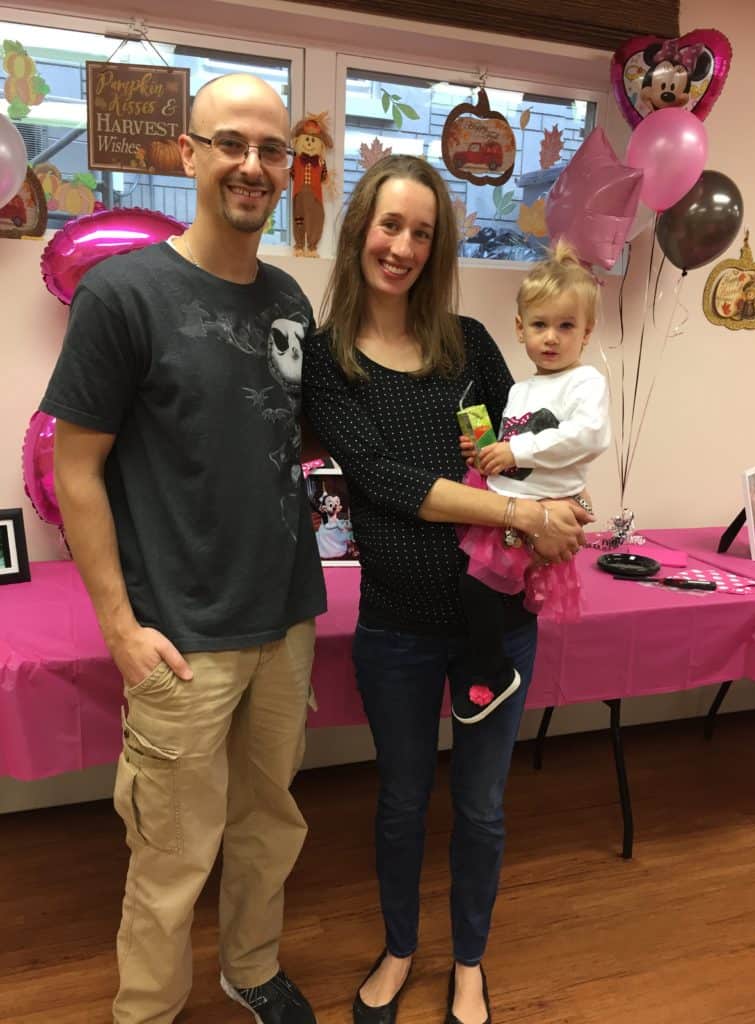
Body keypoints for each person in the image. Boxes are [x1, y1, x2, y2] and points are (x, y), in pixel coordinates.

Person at [40, 74, 326, 1024]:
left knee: (267, 826)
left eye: (272, 150)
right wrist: (120, 629)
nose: (253, 165)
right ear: (188, 153)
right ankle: (147, 1012)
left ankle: (250, 968)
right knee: (169, 852)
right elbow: (75, 470)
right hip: (179, 636)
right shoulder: (123, 296)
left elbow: (290, 441)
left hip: (284, 619)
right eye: (232, 143)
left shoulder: (289, 300)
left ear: (287, 169)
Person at [302, 154, 591, 1024]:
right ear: (360, 230)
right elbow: (383, 476)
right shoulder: (328, 360)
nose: (403, 247)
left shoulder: (469, 343)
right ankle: (399, 948)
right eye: (390, 225)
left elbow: (527, 440)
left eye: (423, 232)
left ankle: (469, 961)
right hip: (396, 625)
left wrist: (564, 494)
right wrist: (516, 510)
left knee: (482, 806)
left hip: (494, 624)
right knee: (399, 801)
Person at [453, 240, 610, 724]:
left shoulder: (585, 383)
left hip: (544, 510)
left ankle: (494, 671)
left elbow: (589, 435)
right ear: (520, 329)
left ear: (586, 332)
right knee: (479, 592)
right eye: (540, 325)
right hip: (508, 502)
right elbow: (514, 450)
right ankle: (488, 664)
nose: (552, 338)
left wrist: (514, 450)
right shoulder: (522, 388)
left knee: (488, 592)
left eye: (566, 326)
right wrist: (485, 455)